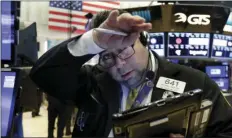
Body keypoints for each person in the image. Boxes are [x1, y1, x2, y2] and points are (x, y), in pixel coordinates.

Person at [30, 9, 232, 138]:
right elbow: (43, 73)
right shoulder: (93, 82)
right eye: (107, 57)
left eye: (125, 49)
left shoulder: (195, 83)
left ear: (143, 39)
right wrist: (93, 41)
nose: (119, 64)